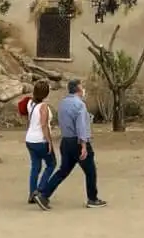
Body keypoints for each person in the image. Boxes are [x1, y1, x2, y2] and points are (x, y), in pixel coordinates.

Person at [36, 79, 105, 210]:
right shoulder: (79, 105)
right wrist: (84, 145)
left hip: (66, 141)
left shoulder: (63, 103)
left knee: (63, 170)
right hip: (77, 141)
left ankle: (44, 194)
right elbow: (81, 126)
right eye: (82, 87)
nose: (83, 89)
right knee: (90, 171)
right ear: (78, 89)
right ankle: (92, 198)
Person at [23, 80, 56, 204]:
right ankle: (40, 190)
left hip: (30, 139)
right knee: (51, 164)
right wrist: (49, 142)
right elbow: (44, 125)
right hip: (40, 140)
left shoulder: (30, 103)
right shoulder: (43, 106)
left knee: (35, 166)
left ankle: (32, 193)